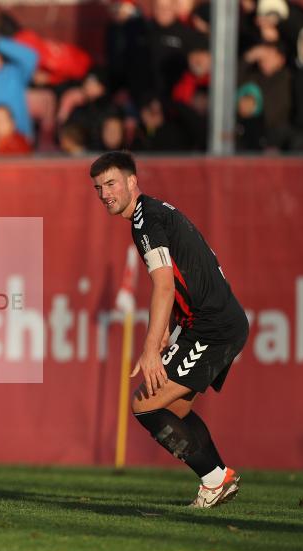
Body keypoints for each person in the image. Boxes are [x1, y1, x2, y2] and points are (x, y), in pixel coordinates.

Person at [89, 151, 248, 509]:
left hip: (213, 328)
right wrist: (169, 328)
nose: (105, 194)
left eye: (111, 184)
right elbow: (183, 276)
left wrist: (149, 350)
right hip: (205, 324)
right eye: (98, 188)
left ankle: (213, 480)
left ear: (132, 182)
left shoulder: (146, 220)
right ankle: (217, 478)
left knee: (145, 405)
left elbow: (163, 285)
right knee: (171, 410)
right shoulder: (153, 214)